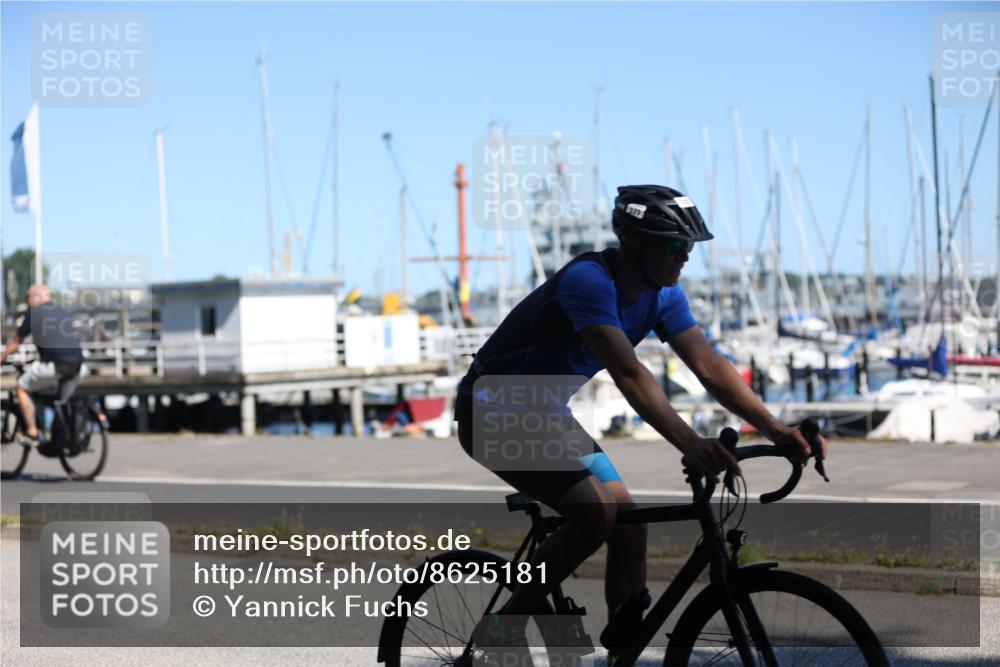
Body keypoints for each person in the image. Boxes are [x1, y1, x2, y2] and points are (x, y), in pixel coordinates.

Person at [454, 185, 827, 657]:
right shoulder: (588, 281)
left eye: (689, 247)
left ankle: (621, 653)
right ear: (636, 243)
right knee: (597, 515)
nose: (684, 258)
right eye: (674, 246)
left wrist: (777, 430)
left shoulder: (663, 295)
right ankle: (501, 630)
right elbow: (629, 373)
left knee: (631, 521)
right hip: (491, 410)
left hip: (544, 413)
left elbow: (709, 367)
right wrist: (691, 443)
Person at [0, 284, 85, 445]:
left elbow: (17, 341)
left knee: (22, 387)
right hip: (79, 367)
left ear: (36, 297)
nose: (27, 302)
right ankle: (60, 440)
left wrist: (2, 356)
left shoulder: (34, 313)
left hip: (56, 366)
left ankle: (32, 431)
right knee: (58, 401)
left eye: (28, 298)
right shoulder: (63, 312)